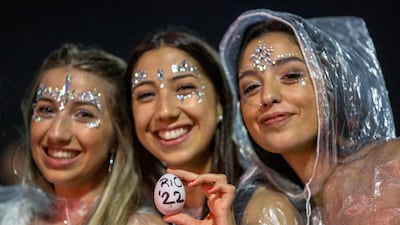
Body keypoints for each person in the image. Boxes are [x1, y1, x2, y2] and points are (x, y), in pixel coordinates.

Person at [219, 8, 399, 225]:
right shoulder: (273, 209)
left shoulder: (393, 165)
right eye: (251, 87)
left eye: (291, 75)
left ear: (330, 82)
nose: (267, 96)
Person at [0, 43, 165, 225]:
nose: (57, 133)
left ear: (118, 137)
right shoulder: (14, 217)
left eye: (84, 114)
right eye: (46, 109)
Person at [124, 27, 241, 224]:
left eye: (185, 88)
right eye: (146, 95)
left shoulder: (260, 205)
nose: (165, 111)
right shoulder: (126, 211)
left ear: (220, 102)